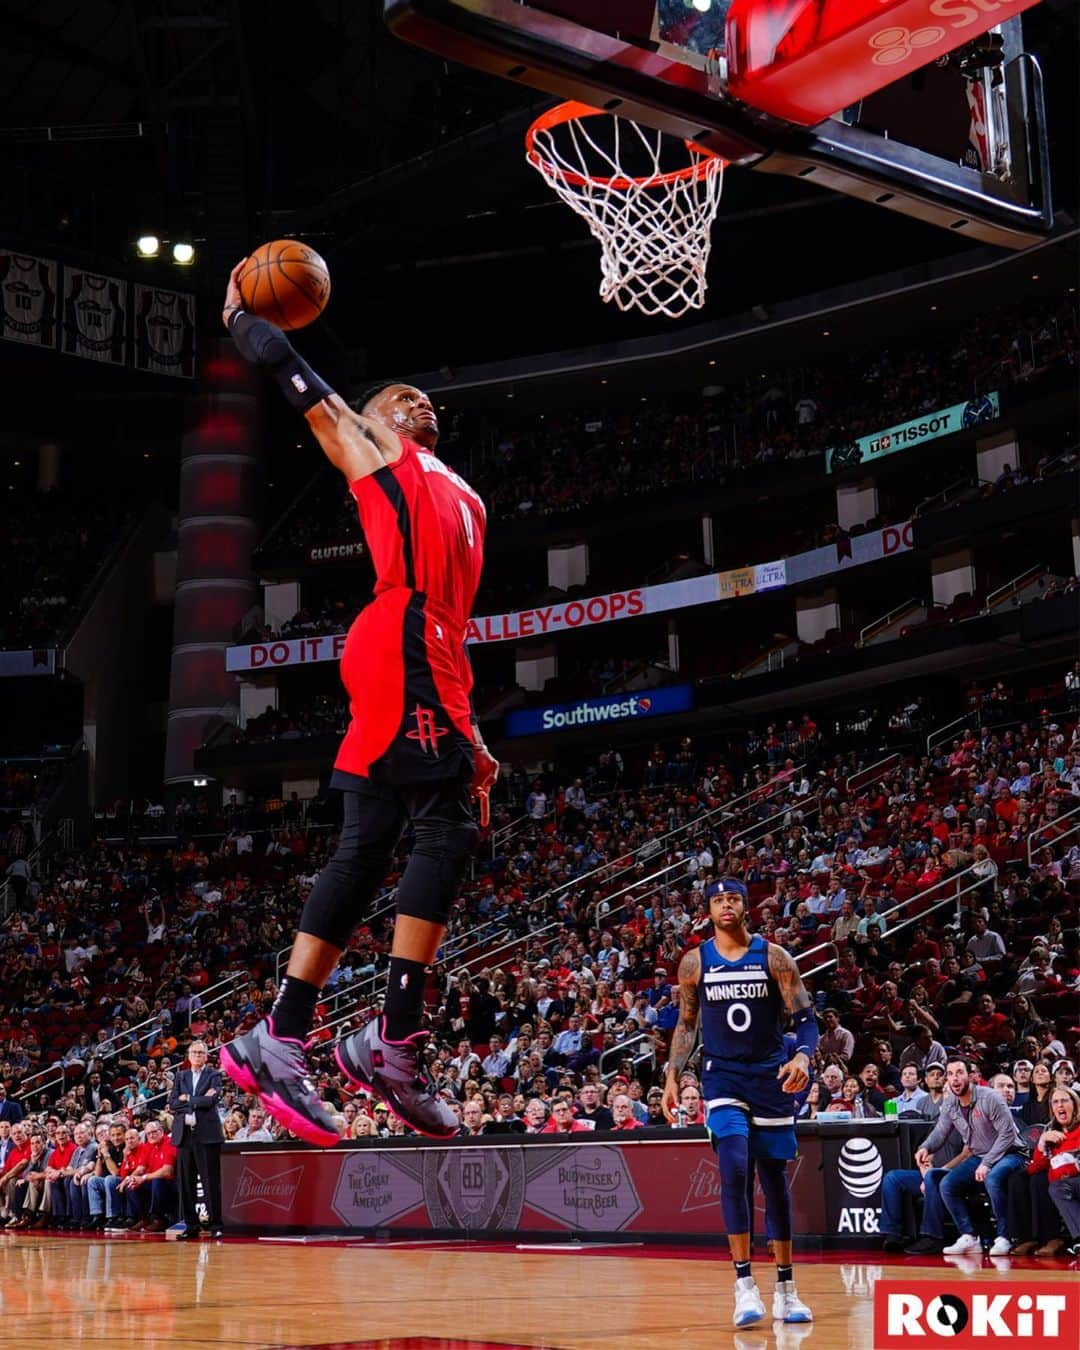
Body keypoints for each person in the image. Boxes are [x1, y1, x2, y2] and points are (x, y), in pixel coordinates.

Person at [218, 261, 498, 1143]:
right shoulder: (376, 450)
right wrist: (241, 320)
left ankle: (280, 1036)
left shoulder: (466, 494)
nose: (418, 402)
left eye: (424, 398)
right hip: (403, 632)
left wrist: (468, 718)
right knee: (448, 827)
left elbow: (450, 626)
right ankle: (393, 1040)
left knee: (370, 840)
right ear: (371, 421)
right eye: (398, 395)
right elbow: (302, 385)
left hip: (431, 652)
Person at [664, 877, 815, 1327]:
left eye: (733, 899)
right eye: (717, 900)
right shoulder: (695, 962)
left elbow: (806, 1018)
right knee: (732, 1165)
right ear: (708, 910)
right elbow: (688, 1026)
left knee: (773, 1180)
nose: (726, 905)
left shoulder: (773, 957)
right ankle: (744, 1286)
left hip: (770, 1077)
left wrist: (804, 1056)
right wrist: (672, 1073)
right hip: (722, 1077)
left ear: (746, 907)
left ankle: (786, 1289)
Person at [914, 1057, 1027, 1258]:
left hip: (1011, 1153)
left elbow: (1008, 1135)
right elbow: (940, 1132)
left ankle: (1004, 1237)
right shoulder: (950, 1104)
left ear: (971, 1076)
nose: (954, 1078)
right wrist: (925, 1147)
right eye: (950, 1074)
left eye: (959, 1073)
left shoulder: (990, 1098)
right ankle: (969, 1236)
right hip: (981, 1156)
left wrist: (987, 1162)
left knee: (993, 1178)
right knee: (947, 1184)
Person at [169, 1041, 225, 1238]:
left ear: (206, 1056)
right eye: (194, 1052)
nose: (197, 1055)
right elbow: (173, 1104)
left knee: (211, 1181)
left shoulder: (214, 1075)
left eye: (201, 1052)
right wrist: (195, 1101)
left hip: (207, 1136)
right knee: (186, 1183)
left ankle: (215, 1225)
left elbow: (212, 1100)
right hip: (184, 1136)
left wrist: (188, 1099)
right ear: (188, 1055)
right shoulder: (180, 1076)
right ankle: (191, 1226)